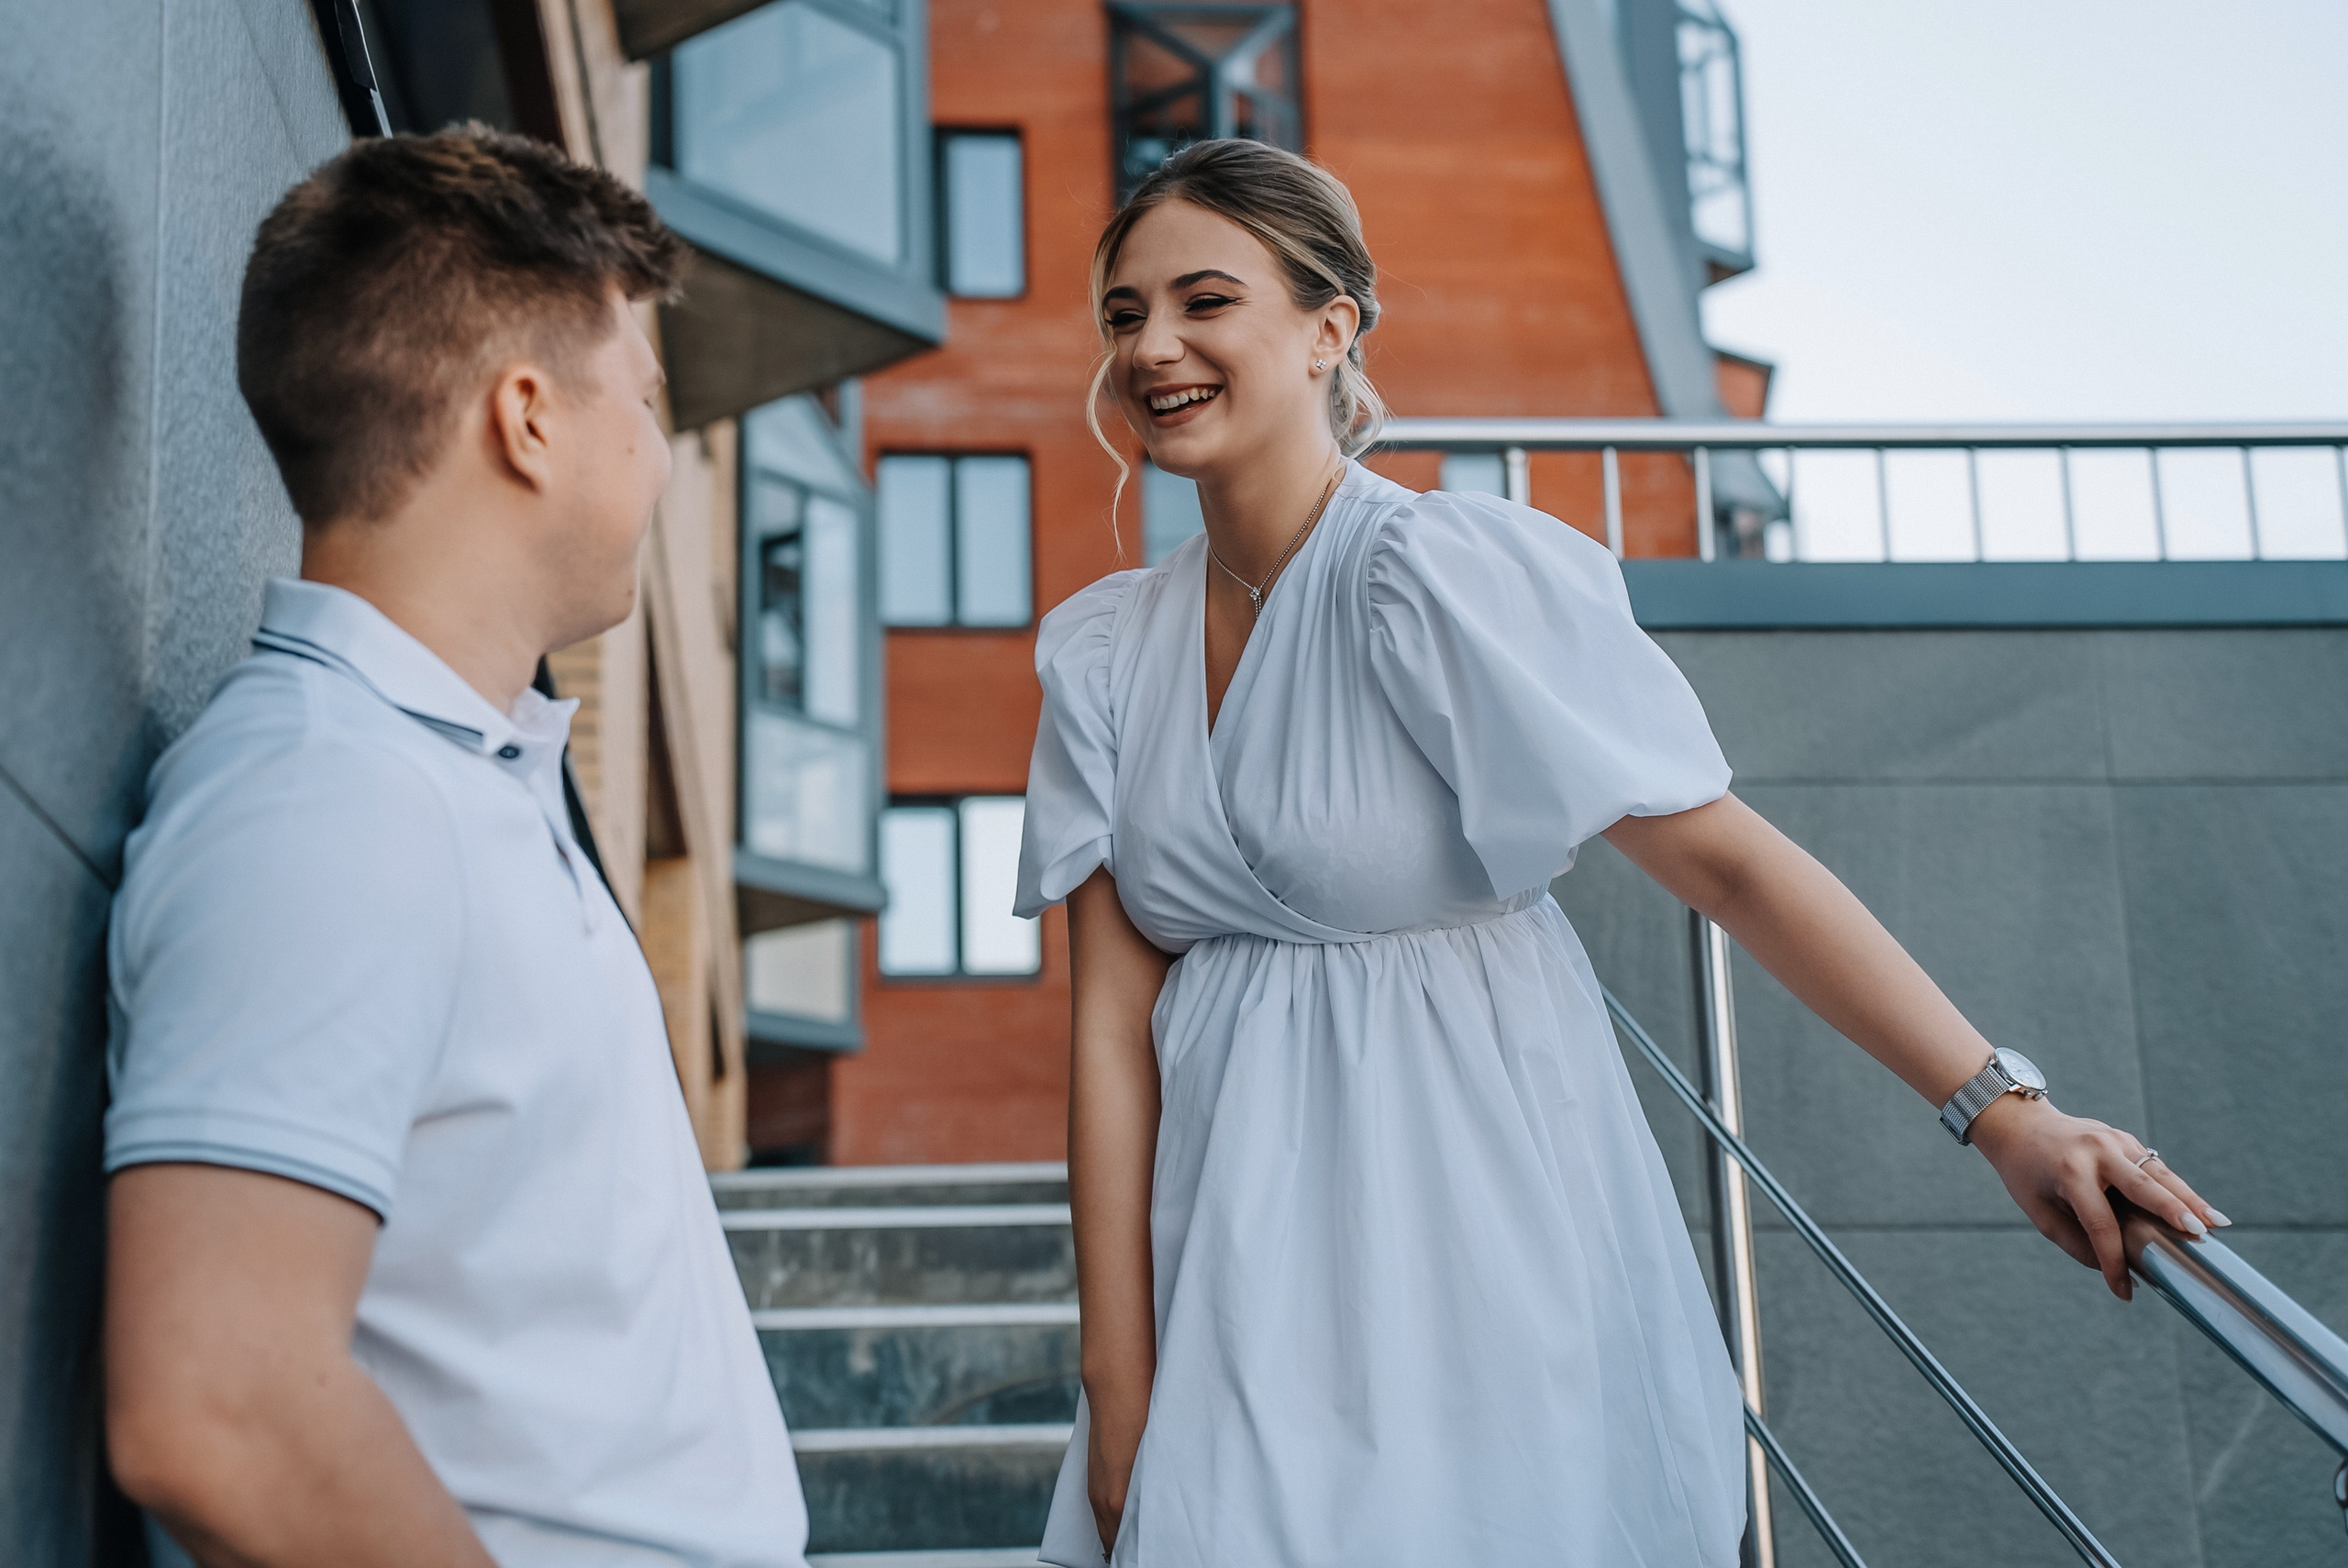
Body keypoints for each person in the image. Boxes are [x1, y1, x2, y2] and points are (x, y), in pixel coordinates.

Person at [1016, 138, 2229, 1568]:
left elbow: (1725, 863)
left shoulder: (1438, 577)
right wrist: (1117, 1379)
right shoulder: (1101, 651)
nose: (1154, 345)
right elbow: (1108, 1022)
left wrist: (2002, 1109)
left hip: (1470, 1225)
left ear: (1328, 326)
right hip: (1223, 1250)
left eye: (1203, 301)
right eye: (1124, 313)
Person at [102, 127, 808, 1568]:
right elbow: (217, 1405)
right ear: (529, 416)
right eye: (649, 402)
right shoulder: (330, 802)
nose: (664, 467)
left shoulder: (450, 785)